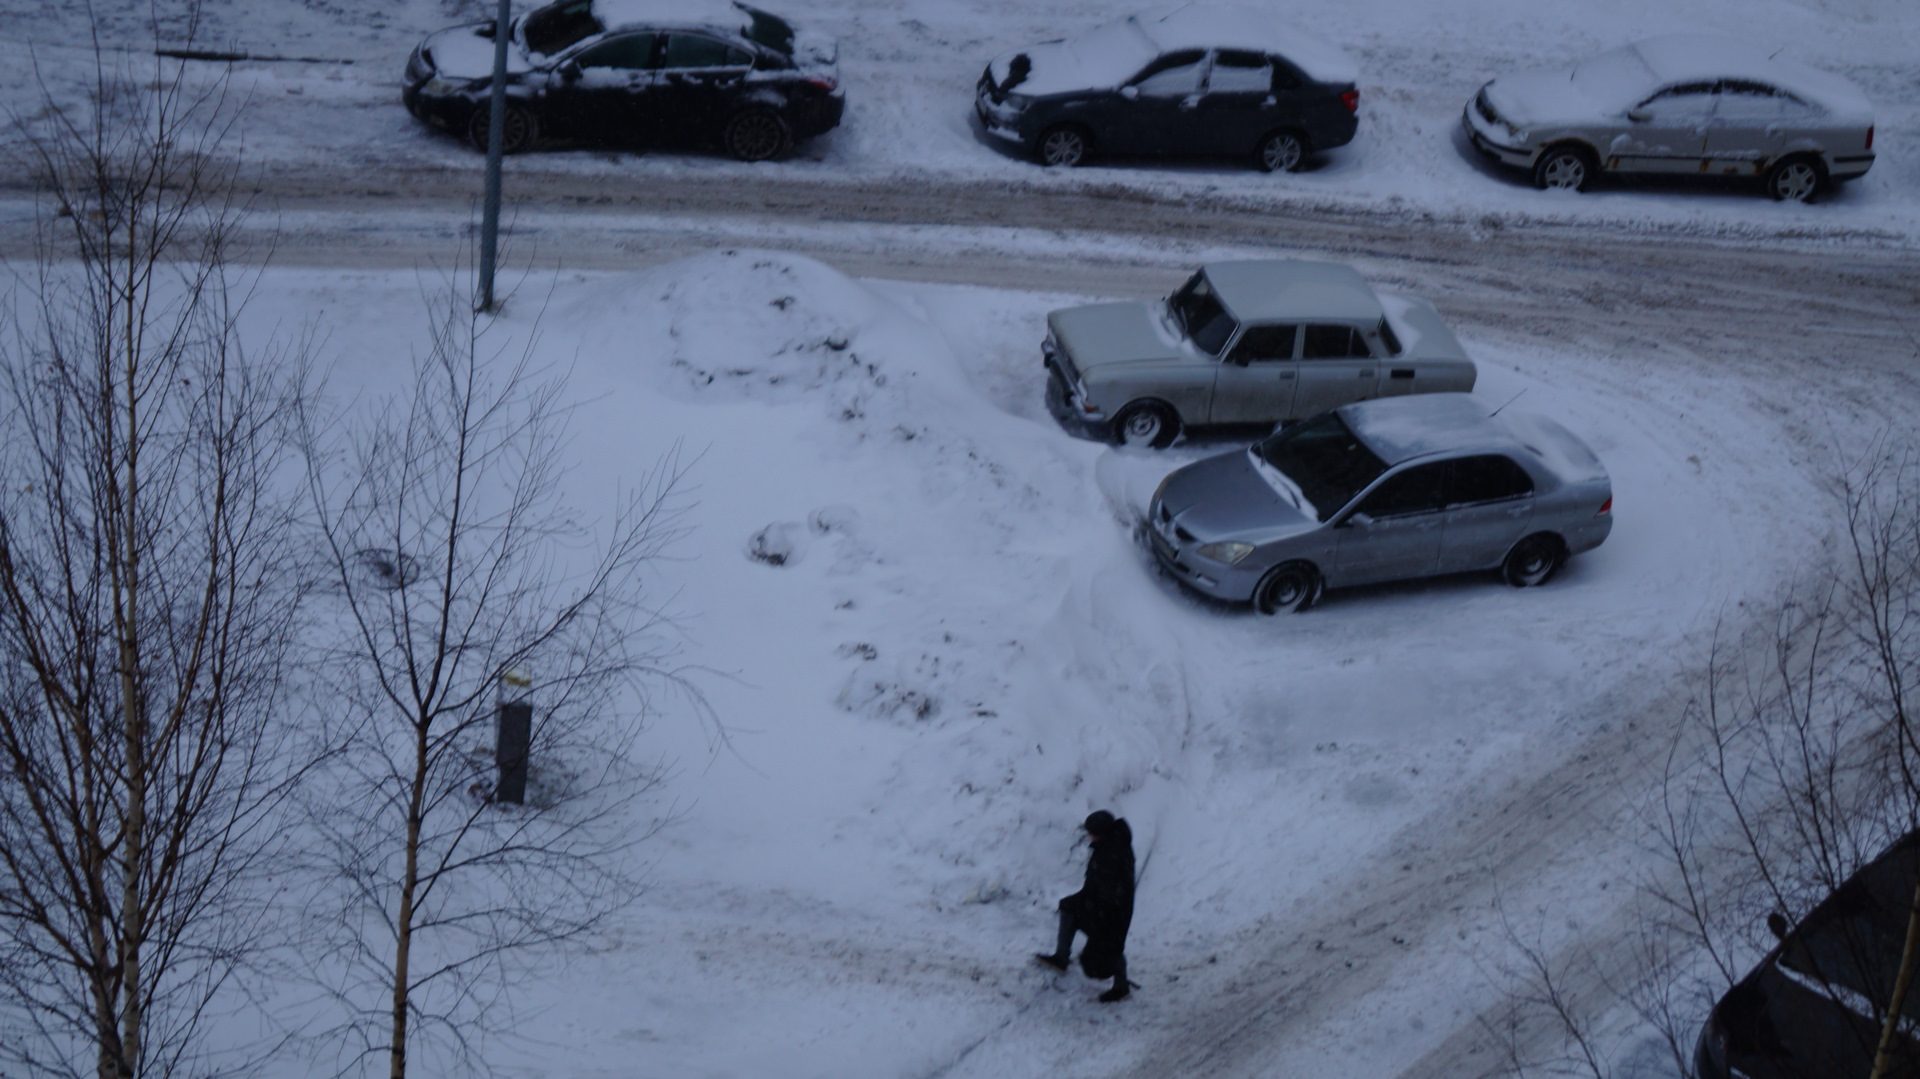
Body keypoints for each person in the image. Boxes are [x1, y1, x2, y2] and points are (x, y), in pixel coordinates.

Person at [1035, 809, 1135, 1002]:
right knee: (1068, 906)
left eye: (1090, 832)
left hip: (1112, 912)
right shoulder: (1108, 846)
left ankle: (1121, 987)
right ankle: (1061, 958)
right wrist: (1082, 900)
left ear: (1100, 832)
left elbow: (1110, 893)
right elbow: (1095, 885)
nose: (1088, 835)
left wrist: (1091, 907)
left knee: (1108, 948)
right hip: (1100, 904)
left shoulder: (1112, 854)